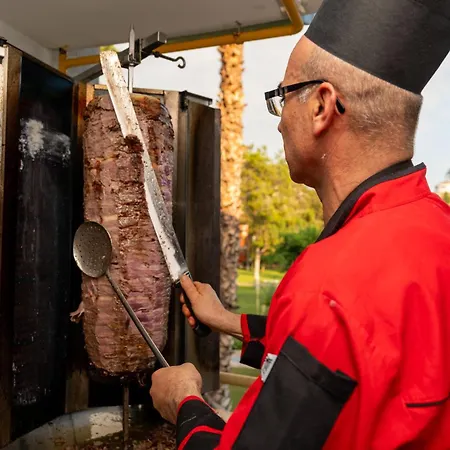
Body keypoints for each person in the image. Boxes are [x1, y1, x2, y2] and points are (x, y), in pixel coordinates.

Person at [149, 0, 450, 448]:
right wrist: (230, 321)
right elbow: (359, 357)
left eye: (284, 95)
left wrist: (184, 401)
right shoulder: (437, 230)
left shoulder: (327, 285)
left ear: (322, 106)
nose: (279, 124)